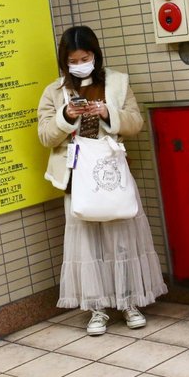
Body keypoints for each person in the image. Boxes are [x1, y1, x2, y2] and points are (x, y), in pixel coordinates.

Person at [37, 25, 167, 336]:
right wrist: (66, 116)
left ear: (96, 55)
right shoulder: (54, 92)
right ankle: (97, 309)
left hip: (111, 175)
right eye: (75, 59)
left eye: (87, 56)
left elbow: (136, 121)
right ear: (65, 61)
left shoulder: (117, 83)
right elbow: (44, 136)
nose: (81, 62)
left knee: (122, 240)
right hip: (77, 177)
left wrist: (108, 111)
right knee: (88, 245)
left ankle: (129, 302)